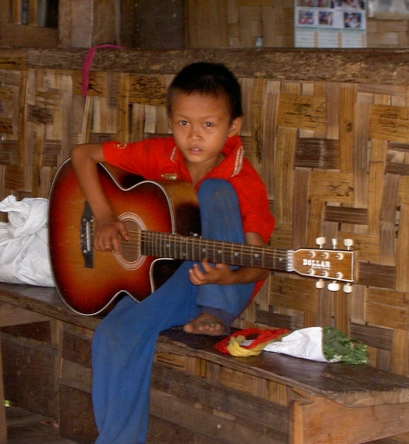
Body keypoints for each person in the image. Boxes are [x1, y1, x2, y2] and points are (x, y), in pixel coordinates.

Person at [70, 62, 275, 444]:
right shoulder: (162, 155)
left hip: (221, 282)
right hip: (163, 277)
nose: (194, 136)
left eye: (209, 125)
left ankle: (214, 310)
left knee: (216, 192)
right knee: (112, 335)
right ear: (170, 120)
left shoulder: (242, 181)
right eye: (183, 123)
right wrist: (104, 217)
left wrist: (227, 278)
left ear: (233, 127)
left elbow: (259, 263)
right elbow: (83, 154)